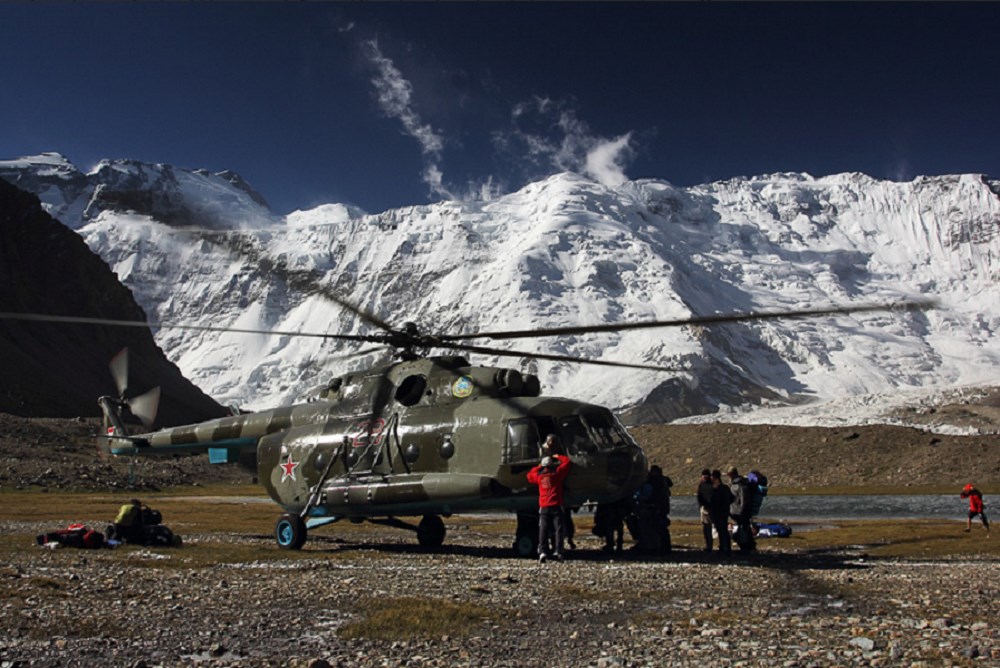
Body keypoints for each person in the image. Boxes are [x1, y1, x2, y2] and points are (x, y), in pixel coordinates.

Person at [526, 454, 572, 563]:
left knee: (543, 529)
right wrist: (557, 456)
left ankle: (542, 551)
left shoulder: (539, 477)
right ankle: (558, 551)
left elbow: (529, 475)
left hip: (544, 506)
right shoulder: (557, 474)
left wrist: (538, 466)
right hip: (557, 505)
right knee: (558, 529)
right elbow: (567, 462)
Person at [634, 465, 672, 553]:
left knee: (655, 527)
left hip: (655, 507)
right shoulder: (662, 481)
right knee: (658, 527)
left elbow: (647, 496)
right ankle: (660, 546)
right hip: (659, 507)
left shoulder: (654, 483)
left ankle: (655, 546)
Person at [727, 466, 756, 553]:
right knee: (744, 529)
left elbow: (744, 500)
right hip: (738, 512)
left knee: (743, 529)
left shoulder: (740, 485)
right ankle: (748, 546)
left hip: (740, 512)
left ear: (731, 475)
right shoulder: (739, 484)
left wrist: (742, 512)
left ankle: (746, 547)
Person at [708, 469, 733, 557]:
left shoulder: (716, 488)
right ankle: (727, 548)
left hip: (718, 512)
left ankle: (724, 548)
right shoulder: (725, 487)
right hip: (725, 511)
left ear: (715, 478)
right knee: (723, 530)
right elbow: (732, 498)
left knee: (721, 530)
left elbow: (714, 501)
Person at [696, 468, 714, 552]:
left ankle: (708, 545)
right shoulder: (712, 484)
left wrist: (701, 506)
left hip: (706, 508)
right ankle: (709, 545)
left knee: (707, 527)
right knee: (707, 528)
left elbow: (699, 497)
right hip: (707, 508)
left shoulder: (702, 484)